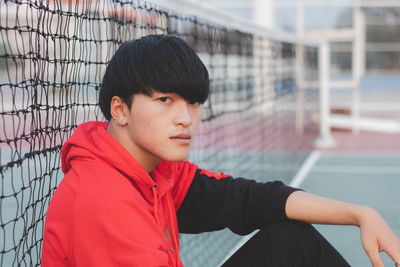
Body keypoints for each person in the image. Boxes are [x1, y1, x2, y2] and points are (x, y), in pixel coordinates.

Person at [42, 34, 400, 267]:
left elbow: (248, 200)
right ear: (120, 110)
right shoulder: (102, 199)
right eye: (164, 100)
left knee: (292, 241)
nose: (185, 119)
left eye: (193, 102)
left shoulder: (156, 172)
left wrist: (359, 214)